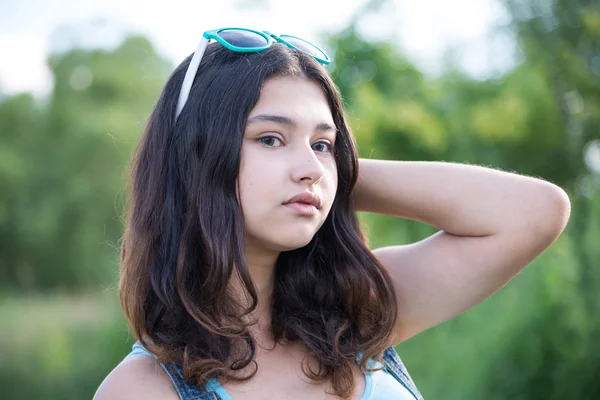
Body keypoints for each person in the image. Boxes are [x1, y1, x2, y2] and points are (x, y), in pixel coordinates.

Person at [94, 28, 571, 400]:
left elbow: (535, 211)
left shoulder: (357, 309)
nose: (310, 168)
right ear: (196, 158)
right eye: (270, 139)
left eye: (323, 143)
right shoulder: (143, 388)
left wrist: (333, 174)